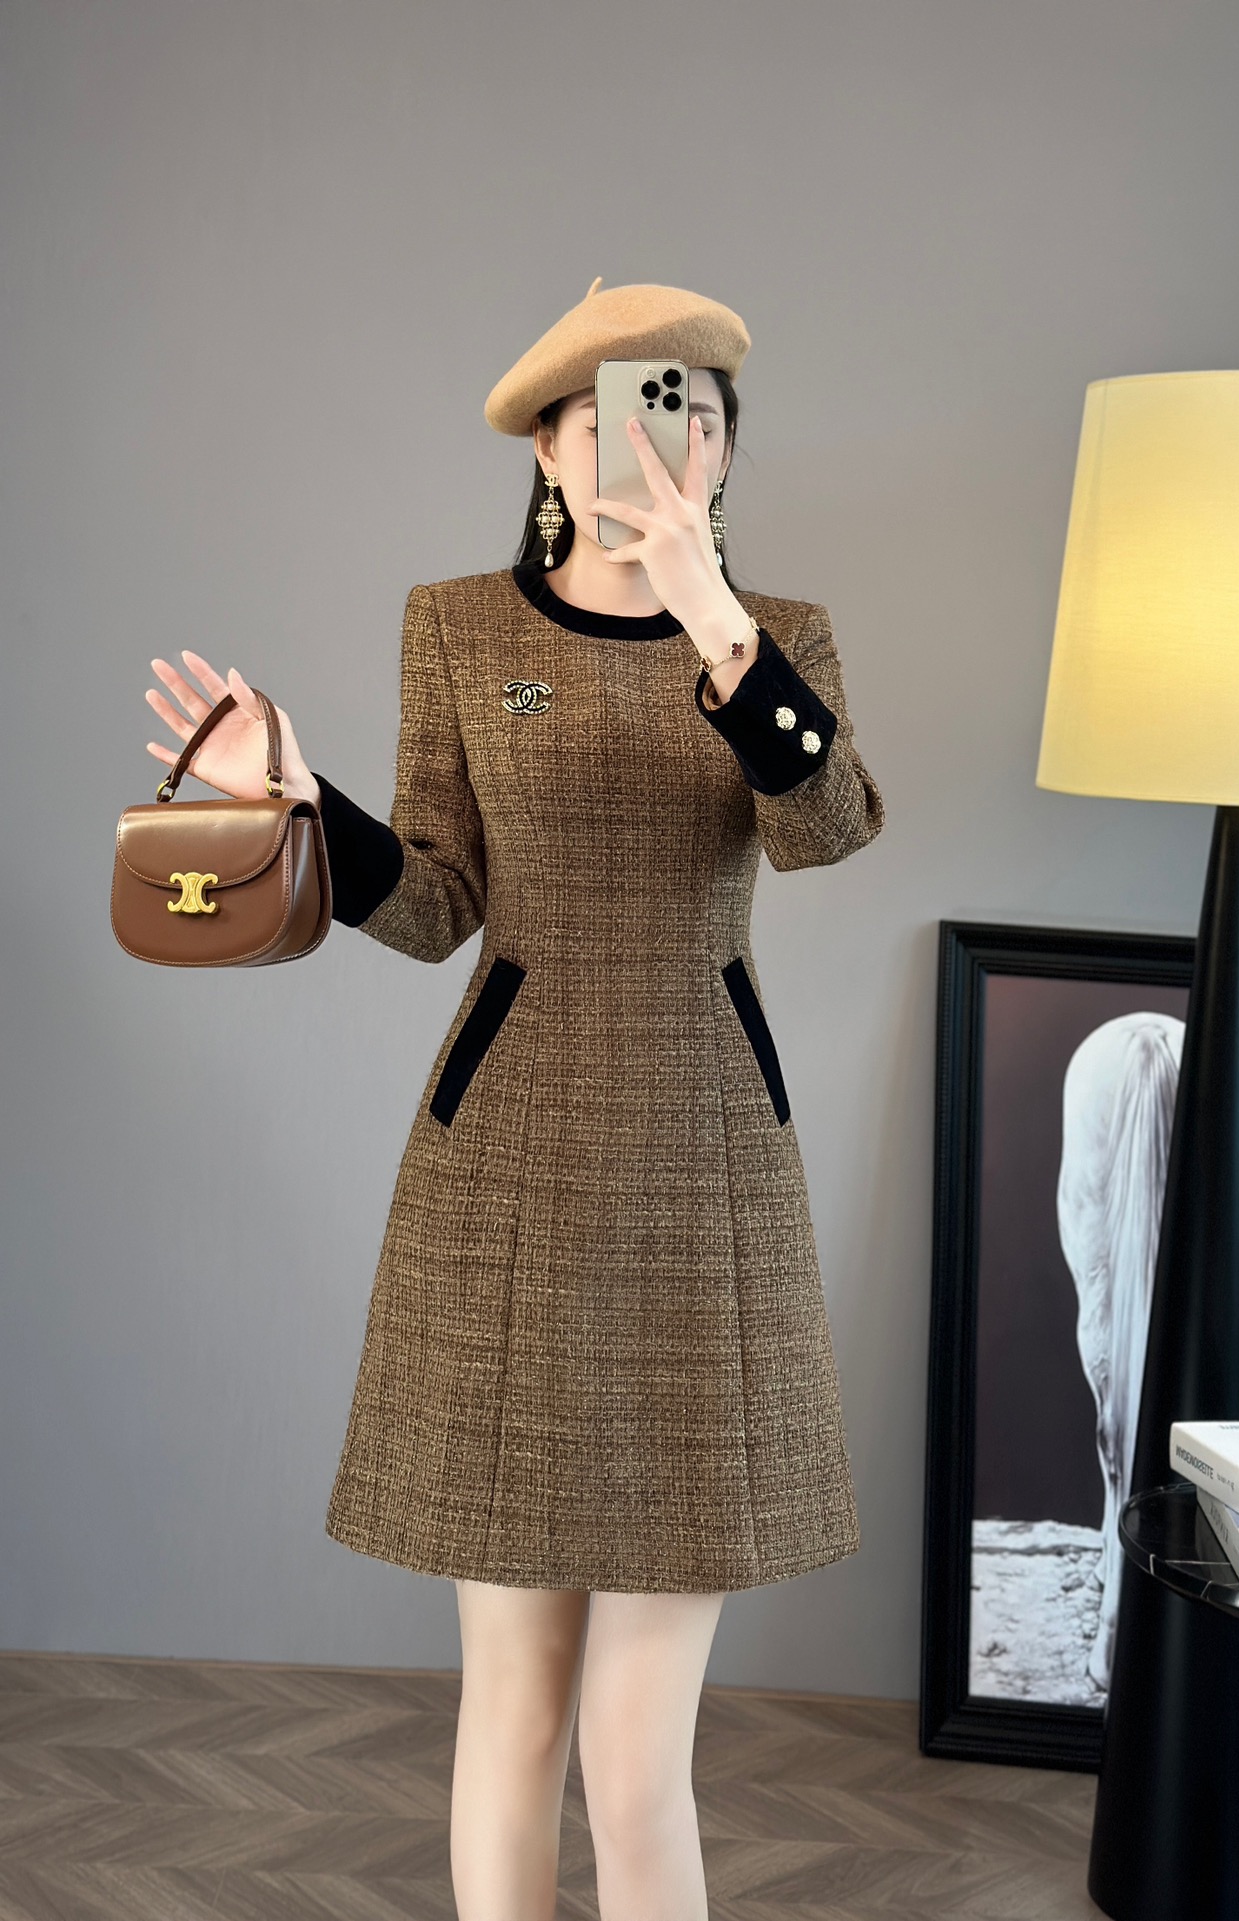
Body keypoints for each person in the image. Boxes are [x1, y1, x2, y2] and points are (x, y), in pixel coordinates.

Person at [142, 277, 886, 1921]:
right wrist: (297, 801)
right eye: (619, 409)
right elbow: (434, 906)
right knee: (514, 1710)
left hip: (704, 1177)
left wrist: (714, 621)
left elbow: (827, 827)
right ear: (549, 447)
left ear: (725, 449)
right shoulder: (457, 628)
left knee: (634, 1752)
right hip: (503, 1185)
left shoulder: (781, 636)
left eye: (696, 410)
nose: (664, 436)